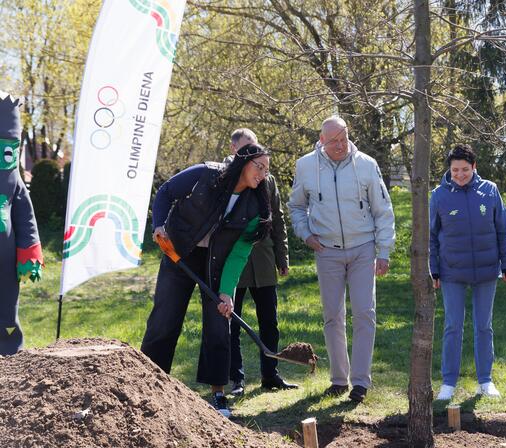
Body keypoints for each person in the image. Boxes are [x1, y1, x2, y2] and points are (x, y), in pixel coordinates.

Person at [141, 143, 272, 416]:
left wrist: (227, 292)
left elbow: (239, 253)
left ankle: (218, 395)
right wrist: (159, 225)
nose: (262, 174)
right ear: (242, 161)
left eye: (266, 170)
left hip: (217, 263)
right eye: (259, 167)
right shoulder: (205, 174)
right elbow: (166, 192)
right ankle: (146, 386)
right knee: (164, 321)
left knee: (218, 326)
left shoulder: (254, 206)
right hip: (179, 252)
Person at [288, 116, 395, 403]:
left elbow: (383, 209)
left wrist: (383, 251)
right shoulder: (306, 166)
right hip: (327, 251)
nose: (340, 144)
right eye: (333, 140)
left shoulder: (367, 164)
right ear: (322, 141)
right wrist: (306, 234)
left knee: (364, 313)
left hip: (363, 247)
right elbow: (296, 207)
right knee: (333, 316)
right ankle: (338, 380)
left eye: (344, 137)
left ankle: (360, 382)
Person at [429, 144, 506, 401]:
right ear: (449, 169)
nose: (460, 174)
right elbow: (432, 237)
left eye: (465, 169)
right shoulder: (438, 196)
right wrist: (433, 269)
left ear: (474, 167)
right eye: (455, 170)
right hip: (451, 271)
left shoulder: (490, 191)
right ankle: (448, 383)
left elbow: (502, 228)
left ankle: (485, 381)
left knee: (483, 326)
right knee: (453, 326)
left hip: (487, 270)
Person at [223, 129, 297, 396]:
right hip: (234, 263)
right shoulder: (223, 177)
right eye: (246, 150)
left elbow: (278, 220)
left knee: (270, 322)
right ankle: (236, 379)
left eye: (255, 150)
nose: (252, 157)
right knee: (231, 323)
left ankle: (270, 374)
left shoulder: (269, 180)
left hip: (263, 261)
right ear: (234, 150)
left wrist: (282, 256)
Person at [0, 92, 44, 356]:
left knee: (7, 306)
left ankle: (8, 350)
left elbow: (25, 218)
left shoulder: (14, 181)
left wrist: (30, 252)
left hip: (6, 260)